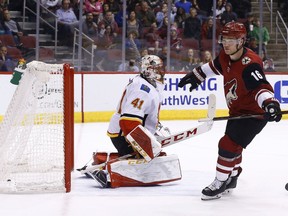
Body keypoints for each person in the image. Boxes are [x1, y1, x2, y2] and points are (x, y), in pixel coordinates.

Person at [178, 21, 282, 200]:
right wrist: (197, 75)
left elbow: (260, 88)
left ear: (241, 41)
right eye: (224, 39)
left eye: (231, 40)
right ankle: (232, 177)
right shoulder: (226, 55)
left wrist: (270, 104)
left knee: (227, 145)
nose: (226, 43)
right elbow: (214, 66)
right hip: (237, 111)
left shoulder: (250, 64)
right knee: (235, 147)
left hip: (253, 114)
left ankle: (220, 181)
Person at [88, 55, 182, 188]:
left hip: (126, 133)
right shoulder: (142, 90)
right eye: (158, 69)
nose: (162, 72)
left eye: (161, 68)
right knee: (155, 155)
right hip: (124, 136)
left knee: (156, 152)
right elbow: (128, 122)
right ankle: (111, 174)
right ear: (149, 70)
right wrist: (146, 145)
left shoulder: (147, 84)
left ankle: (103, 159)